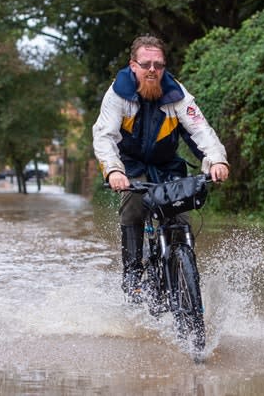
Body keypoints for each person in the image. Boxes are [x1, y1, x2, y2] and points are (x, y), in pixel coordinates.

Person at [92, 35, 230, 301]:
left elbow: (200, 129)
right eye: (146, 64)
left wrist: (217, 160)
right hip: (130, 166)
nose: (152, 70)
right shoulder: (117, 95)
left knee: (180, 216)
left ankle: (184, 274)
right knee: (134, 204)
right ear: (133, 66)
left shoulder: (177, 94)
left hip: (167, 166)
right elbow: (104, 136)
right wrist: (114, 170)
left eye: (158, 64)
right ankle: (132, 276)